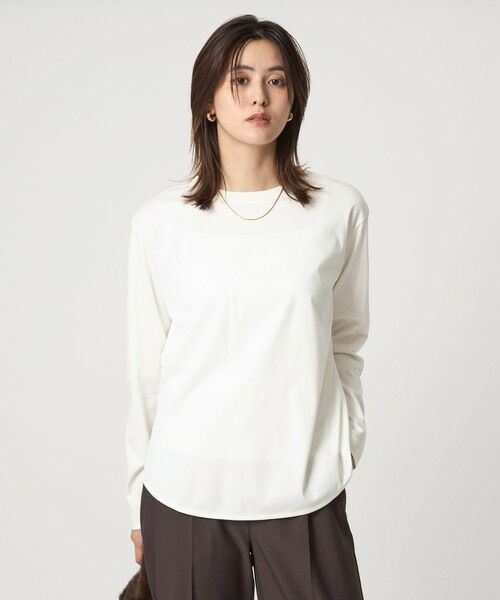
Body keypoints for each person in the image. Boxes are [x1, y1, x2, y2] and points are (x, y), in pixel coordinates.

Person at [125, 14, 369, 600]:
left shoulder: (338, 211)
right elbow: (146, 370)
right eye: (239, 79)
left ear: (293, 99)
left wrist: (346, 443)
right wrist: (137, 498)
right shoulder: (161, 223)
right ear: (209, 101)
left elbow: (347, 339)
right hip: (186, 492)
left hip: (305, 486)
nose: (259, 96)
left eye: (276, 80)